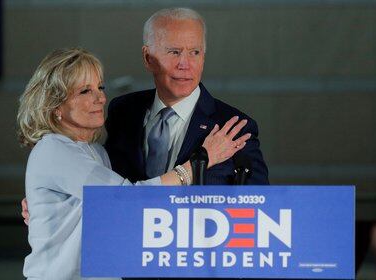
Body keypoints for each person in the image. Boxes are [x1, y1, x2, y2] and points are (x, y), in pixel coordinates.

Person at [17, 48, 251, 279]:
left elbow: (116, 214)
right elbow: (127, 200)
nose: (100, 98)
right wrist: (200, 161)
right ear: (56, 106)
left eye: (100, 87)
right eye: (85, 91)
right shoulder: (55, 149)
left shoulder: (97, 152)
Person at [105, 7, 269, 185]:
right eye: (174, 52)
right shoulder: (122, 111)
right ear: (148, 58)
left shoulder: (234, 127)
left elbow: (260, 205)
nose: (185, 64)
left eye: (194, 52)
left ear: (203, 58)